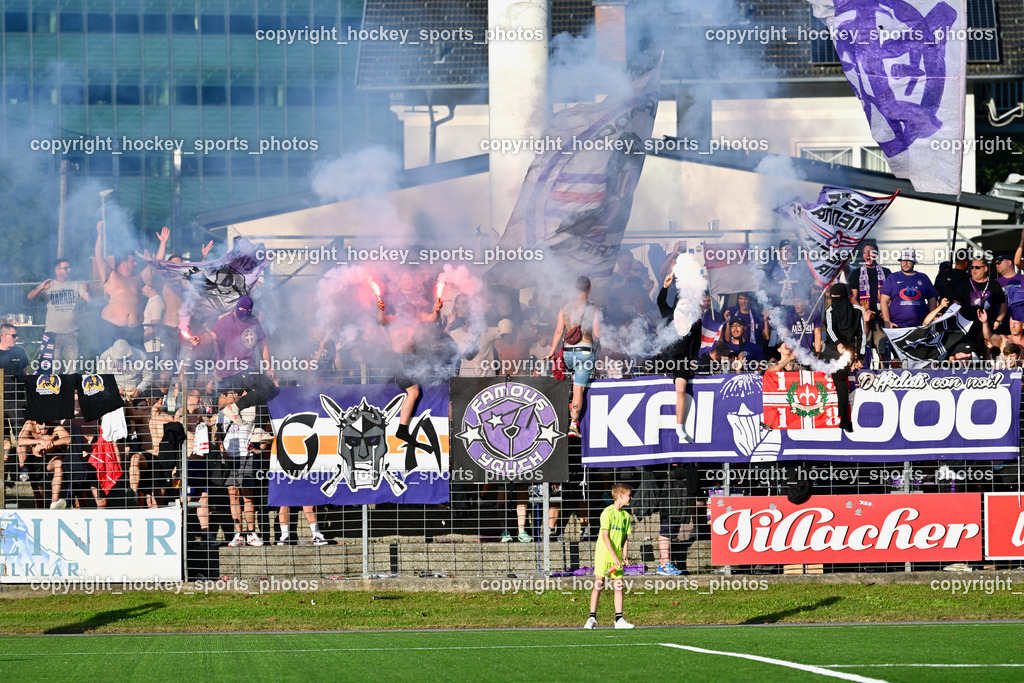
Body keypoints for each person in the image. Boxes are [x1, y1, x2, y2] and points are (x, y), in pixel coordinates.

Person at [191, 295, 276, 439]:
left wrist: (268, 366)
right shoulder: (226, 321)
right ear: (237, 308)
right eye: (242, 309)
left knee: (263, 393)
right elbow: (212, 335)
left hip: (249, 367)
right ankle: (234, 409)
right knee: (269, 388)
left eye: (248, 310)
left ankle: (258, 430)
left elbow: (263, 345)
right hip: (233, 369)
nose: (244, 312)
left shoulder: (253, 321)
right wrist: (200, 339)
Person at [94, 222, 167, 352]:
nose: (135, 263)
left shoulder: (138, 278)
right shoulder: (111, 275)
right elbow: (99, 258)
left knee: (137, 363)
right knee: (110, 365)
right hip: (112, 328)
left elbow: (156, 265)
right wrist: (99, 235)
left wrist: (163, 243)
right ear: (123, 263)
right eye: (132, 261)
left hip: (135, 331)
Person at [544, 276, 601, 438]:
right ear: (590, 289)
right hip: (584, 352)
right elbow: (597, 334)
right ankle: (573, 424)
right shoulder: (593, 308)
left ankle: (559, 418)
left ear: (575, 289)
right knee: (578, 389)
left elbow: (558, 331)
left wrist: (551, 352)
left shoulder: (565, 307)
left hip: (568, 353)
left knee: (569, 384)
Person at [656, 273, 704, 442]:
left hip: (682, 360)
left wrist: (694, 357)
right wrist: (665, 287)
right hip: (665, 358)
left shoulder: (696, 321)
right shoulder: (669, 315)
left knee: (681, 390)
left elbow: (697, 342)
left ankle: (679, 427)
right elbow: (661, 302)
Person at [583, 482, 635, 630]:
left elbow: (625, 537)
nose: (630, 498)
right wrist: (614, 556)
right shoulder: (607, 512)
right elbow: (605, 537)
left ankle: (619, 619)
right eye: (628, 495)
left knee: (618, 586)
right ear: (621, 495)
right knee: (598, 584)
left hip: (617, 557)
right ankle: (592, 617)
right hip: (604, 555)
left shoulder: (625, 515)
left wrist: (624, 555)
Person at [27, 257, 90, 372]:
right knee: (54, 369)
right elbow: (30, 296)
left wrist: (89, 290)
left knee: (72, 369)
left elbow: (89, 299)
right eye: (66, 268)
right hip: (53, 333)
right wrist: (41, 288)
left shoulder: (75, 284)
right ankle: (56, 390)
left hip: (72, 333)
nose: (69, 270)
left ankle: (72, 389)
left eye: (69, 268)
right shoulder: (49, 284)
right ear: (57, 270)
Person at [821, 283, 866, 432]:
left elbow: (861, 335)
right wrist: (838, 344)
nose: (835, 302)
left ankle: (844, 419)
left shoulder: (857, 311)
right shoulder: (830, 311)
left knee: (841, 381)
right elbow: (831, 330)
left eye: (837, 299)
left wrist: (860, 355)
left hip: (848, 350)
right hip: (832, 349)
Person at [848, 242, 891, 365]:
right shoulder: (856, 273)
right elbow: (853, 297)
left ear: (876, 254)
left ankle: (885, 375)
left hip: (881, 318)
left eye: (871, 252)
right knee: (864, 349)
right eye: (865, 252)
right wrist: (863, 311)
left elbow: (891, 296)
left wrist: (886, 311)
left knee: (883, 350)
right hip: (864, 318)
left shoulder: (886, 272)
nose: (868, 255)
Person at [880, 248, 936, 329]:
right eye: (903, 260)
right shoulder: (893, 277)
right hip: (897, 325)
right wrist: (887, 321)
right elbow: (884, 301)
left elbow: (932, 298)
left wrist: (931, 319)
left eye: (908, 261)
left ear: (914, 262)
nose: (905, 263)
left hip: (921, 325)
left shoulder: (923, 277)